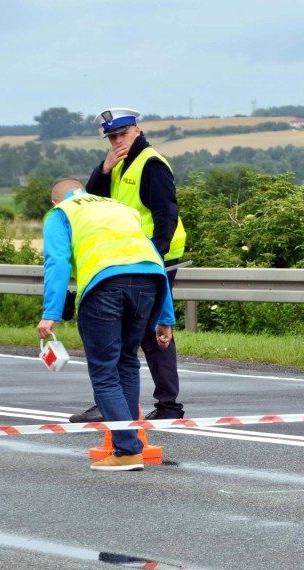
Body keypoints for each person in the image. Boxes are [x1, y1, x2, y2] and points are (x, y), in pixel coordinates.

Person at [38, 178, 175, 471]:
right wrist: (166, 316)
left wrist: (50, 312)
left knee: (104, 370)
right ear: (86, 193)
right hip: (149, 282)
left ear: (56, 201)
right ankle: (129, 447)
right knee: (127, 363)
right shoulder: (121, 208)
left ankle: (126, 451)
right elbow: (154, 256)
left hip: (105, 285)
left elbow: (58, 262)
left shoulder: (61, 213)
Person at [69, 107, 187, 424]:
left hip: (153, 258)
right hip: (128, 259)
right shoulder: (120, 165)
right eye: (111, 137)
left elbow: (166, 215)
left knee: (152, 329)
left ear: (136, 130)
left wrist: (156, 261)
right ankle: (118, 403)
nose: (117, 141)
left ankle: (167, 405)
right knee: (125, 331)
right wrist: (104, 170)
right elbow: (90, 204)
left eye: (121, 134)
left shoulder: (151, 164)